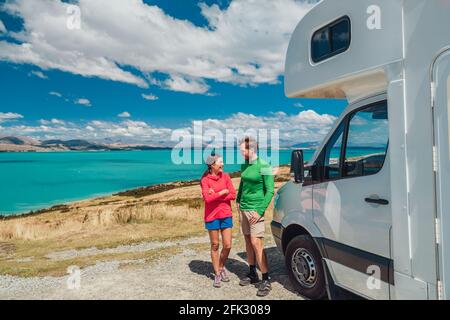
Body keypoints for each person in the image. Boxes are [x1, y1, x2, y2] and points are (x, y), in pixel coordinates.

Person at [236, 137, 275, 297]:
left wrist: (259, 211)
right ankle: (252, 273)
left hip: (255, 210)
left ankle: (266, 279)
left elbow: (270, 190)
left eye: (242, 150)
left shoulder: (264, 165)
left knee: (256, 242)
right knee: (247, 241)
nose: (240, 152)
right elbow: (242, 183)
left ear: (251, 149)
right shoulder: (244, 164)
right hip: (243, 209)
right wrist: (238, 201)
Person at [200, 153, 237, 288]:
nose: (223, 164)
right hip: (211, 216)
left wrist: (215, 194)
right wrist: (222, 193)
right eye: (220, 162)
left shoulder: (226, 177)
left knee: (227, 245)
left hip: (226, 214)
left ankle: (221, 267)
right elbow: (207, 199)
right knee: (215, 245)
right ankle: (217, 273)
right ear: (212, 165)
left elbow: (233, 195)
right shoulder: (205, 180)